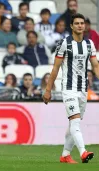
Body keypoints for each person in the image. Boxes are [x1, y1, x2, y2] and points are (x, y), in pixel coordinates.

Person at [43, 13, 98, 164]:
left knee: (73, 124)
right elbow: (55, 68)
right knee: (75, 121)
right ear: (72, 26)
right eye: (77, 23)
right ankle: (83, 152)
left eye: (82, 23)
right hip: (68, 88)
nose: (80, 25)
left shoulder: (89, 44)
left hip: (83, 89)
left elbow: (95, 66)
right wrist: (48, 90)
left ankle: (65, 155)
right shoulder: (64, 44)